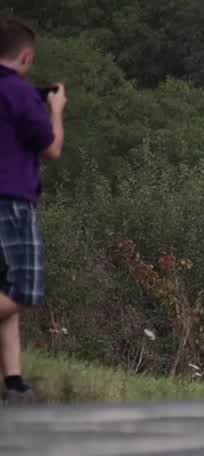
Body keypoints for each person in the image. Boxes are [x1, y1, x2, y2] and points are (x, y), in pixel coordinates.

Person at [0, 17, 65, 404]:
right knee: (25, 290)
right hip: (11, 200)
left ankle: (14, 380)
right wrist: (55, 109)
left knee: (5, 293)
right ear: (26, 56)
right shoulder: (20, 94)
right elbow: (52, 147)